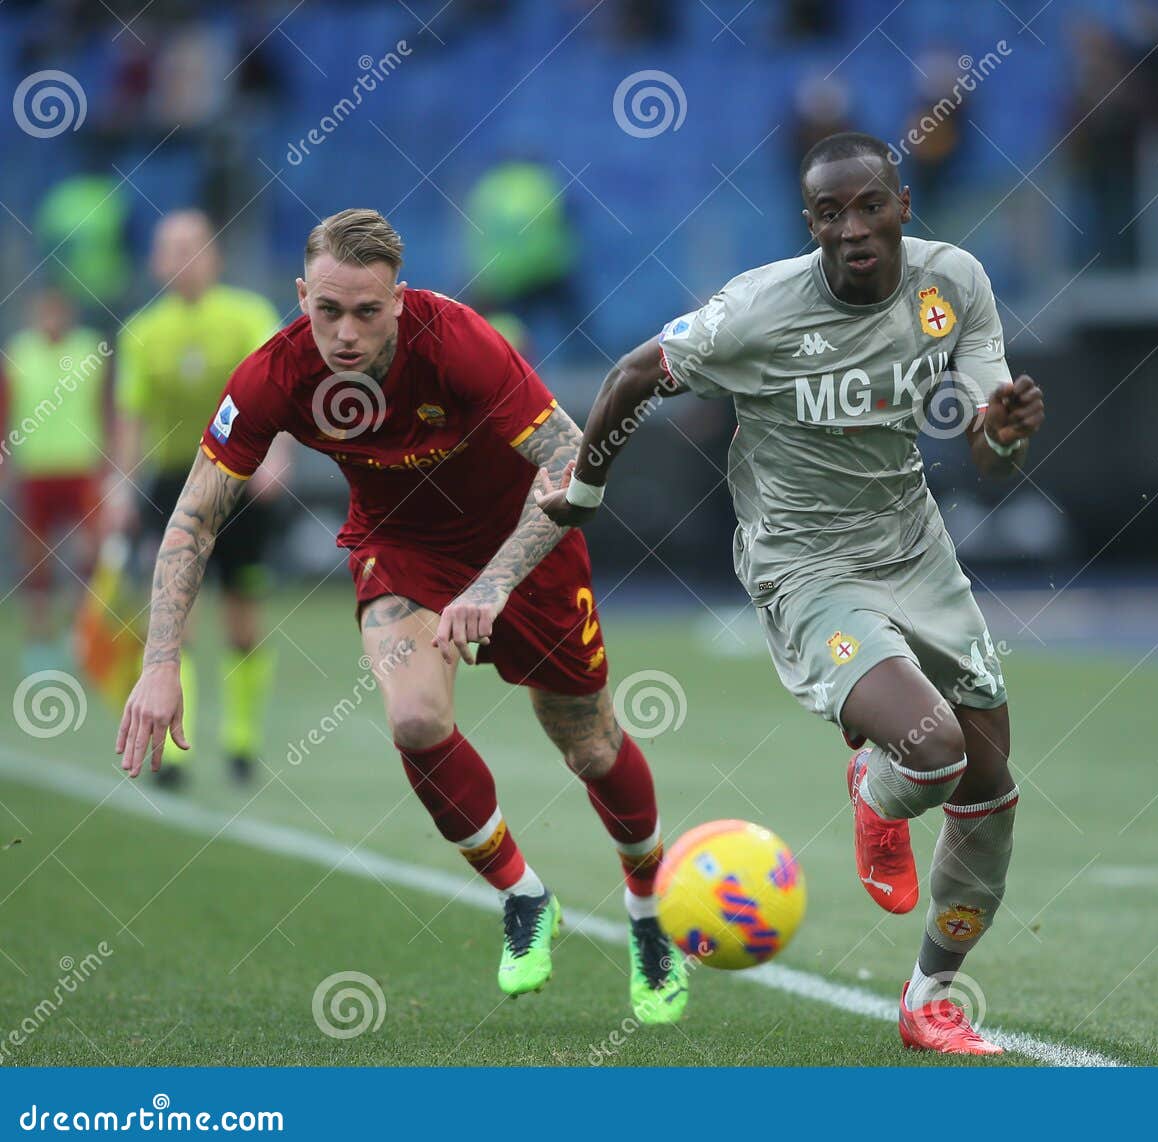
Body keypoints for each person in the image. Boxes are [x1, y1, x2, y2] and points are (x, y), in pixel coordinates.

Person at [115, 209, 688, 1023]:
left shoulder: (457, 340)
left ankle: (648, 909)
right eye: (328, 311)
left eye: (367, 312)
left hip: (526, 539)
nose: (345, 334)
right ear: (301, 294)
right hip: (402, 547)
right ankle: (525, 897)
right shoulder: (273, 374)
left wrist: (492, 583)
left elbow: (569, 458)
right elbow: (194, 515)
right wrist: (161, 661)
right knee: (416, 716)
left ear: (400, 298)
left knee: (590, 744)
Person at [541, 132, 1045, 1055]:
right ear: (808, 221)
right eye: (829, 212)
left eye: (868, 205)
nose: (852, 227)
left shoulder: (953, 286)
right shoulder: (758, 313)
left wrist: (1004, 431)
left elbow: (991, 452)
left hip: (916, 549)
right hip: (805, 567)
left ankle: (930, 994)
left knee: (992, 790)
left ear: (902, 204)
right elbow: (629, 377)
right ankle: (878, 790)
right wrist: (584, 491)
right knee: (929, 752)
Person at [109, 211, 288, 787]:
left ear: (212, 255)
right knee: (174, 619)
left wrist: (274, 459)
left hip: (237, 479)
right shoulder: (141, 330)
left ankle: (241, 741)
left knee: (241, 619)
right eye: (171, 248)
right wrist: (118, 484)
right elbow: (130, 418)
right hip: (172, 483)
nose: (183, 258)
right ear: (157, 261)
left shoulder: (247, 315)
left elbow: (279, 391)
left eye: (193, 246)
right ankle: (174, 753)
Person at [1, 289, 109, 675]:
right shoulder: (18, 354)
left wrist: (109, 465)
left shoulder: (88, 353)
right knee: (35, 560)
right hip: (35, 470)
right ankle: (39, 638)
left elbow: (107, 408)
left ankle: (82, 636)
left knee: (89, 555)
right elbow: (5, 409)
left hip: (81, 467)